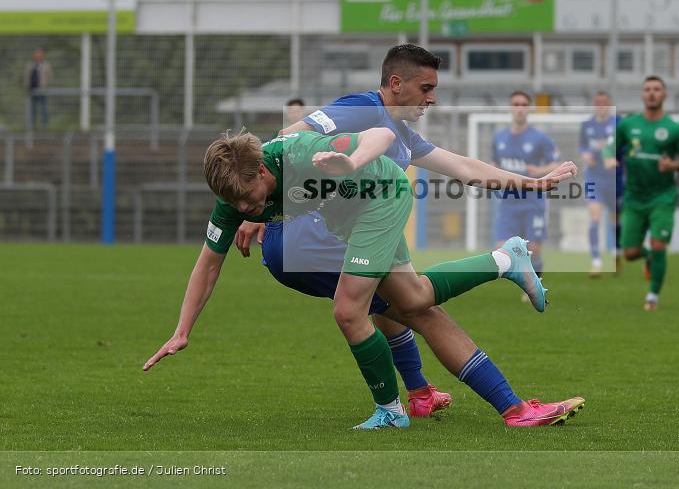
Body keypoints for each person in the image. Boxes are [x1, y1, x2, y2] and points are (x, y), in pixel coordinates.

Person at [144, 125, 581, 429]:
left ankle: (391, 410)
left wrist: (348, 160)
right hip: (351, 219)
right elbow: (209, 263)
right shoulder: (237, 193)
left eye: (246, 199)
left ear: (262, 172)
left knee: (349, 311)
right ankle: (505, 259)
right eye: (234, 204)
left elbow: (382, 135)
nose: (243, 209)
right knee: (413, 300)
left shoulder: (301, 153)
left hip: (380, 199)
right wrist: (182, 330)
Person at [243, 45, 585, 427]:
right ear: (395, 83)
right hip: (312, 234)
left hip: (335, 236)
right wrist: (263, 203)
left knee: (407, 306)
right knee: (410, 305)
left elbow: (462, 166)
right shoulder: (362, 107)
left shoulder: (403, 136)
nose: (432, 98)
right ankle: (503, 265)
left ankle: (469, 400)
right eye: (425, 88)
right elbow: (289, 136)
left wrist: (532, 184)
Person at [603, 76, 679, 310]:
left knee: (659, 245)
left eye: (657, 89)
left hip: (662, 197)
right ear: (642, 95)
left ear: (664, 95)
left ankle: (652, 297)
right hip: (634, 197)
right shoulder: (628, 124)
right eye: (647, 89)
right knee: (630, 252)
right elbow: (610, 145)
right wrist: (608, 157)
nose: (652, 93)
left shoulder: (673, 129)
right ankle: (647, 257)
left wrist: (674, 165)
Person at [491, 91, 561, 278]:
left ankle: (535, 278)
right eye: (516, 104)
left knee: (533, 249)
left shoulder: (540, 138)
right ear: (510, 108)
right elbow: (495, 166)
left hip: (533, 203)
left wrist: (540, 171)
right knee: (500, 249)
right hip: (508, 203)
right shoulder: (499, 138)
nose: (520, 108)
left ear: (529, 108)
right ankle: (524, 276)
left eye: (523, 104)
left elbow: (556, 162)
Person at [579, 91, 622, 277]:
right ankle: (596, 262)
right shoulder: (586, 125)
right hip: (593, 176)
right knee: (594, 217)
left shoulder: (617, 124)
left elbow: (623, 147)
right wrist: (584, 154)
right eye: (598, 102)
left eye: (605, 102)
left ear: (610, 103)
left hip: (613, 177)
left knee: (615, 219)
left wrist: (614, 158)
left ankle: (616, 254)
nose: (601, 105)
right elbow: (581, 146)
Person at [24, 48, 52, 130]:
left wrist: (45, 85)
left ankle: (45, 127)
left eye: (40, 54)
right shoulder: (30, 65)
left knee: (44, 109)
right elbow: (26, 77)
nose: (38, 56)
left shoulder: (46, 65)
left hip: (42, 91)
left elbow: (49, 77)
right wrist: (27, 86)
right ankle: (31, 127)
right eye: (37, 54)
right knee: (32, 110)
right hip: (32, 91)